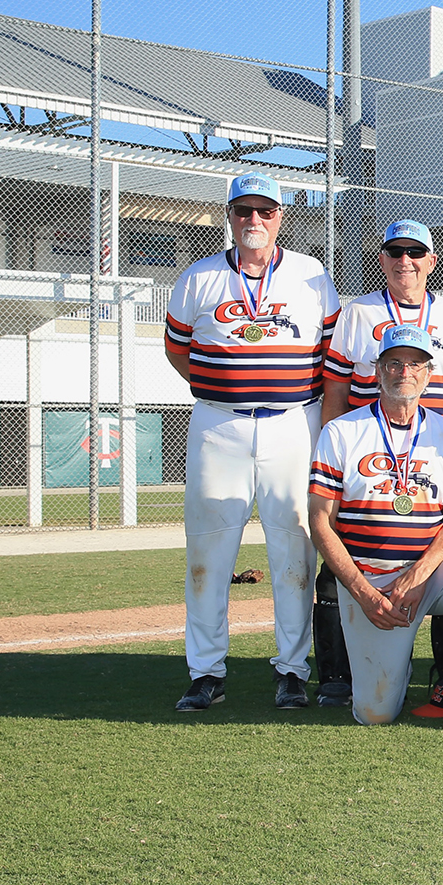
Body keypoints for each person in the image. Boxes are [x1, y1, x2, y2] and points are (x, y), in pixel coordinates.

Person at [167, 172, 339, 713]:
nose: (254, 220)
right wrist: (224, 385)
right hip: (219, 424)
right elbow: (177, 350)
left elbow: (331, 354)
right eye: (243, 211)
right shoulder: (198, 277)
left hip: (293, 422)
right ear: (229, 216)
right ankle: (206, 672)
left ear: (280, 217)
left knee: (294, 549)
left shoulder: (311, 276)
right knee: (208, 552)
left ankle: (292, 670)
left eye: (265, 211)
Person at [308, 325, 443, 732]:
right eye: (395, 363)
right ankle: (392, 672)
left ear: (429, 374)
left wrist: (419, 574)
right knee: (376, 714)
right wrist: (362, 592)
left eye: (416, 364)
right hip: (370, 579)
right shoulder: (342, 431)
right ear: (377, 371)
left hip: (431, 571)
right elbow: (319, 522)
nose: (405, 372)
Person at [319, 218, 443, 713]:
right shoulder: (358, 312)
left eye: (415, 252)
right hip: (370, 457)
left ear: (432, 261)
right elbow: (335, 391)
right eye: (395, 252)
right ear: (382, 259)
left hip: (438, 457)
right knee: (339, 560)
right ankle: (339, 674)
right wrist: (335, 451)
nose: (405, 261)